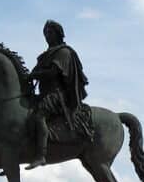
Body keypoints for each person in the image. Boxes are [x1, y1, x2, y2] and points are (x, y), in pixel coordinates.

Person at [25, 20, 93, 170]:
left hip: (56, 95)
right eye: (45, 33)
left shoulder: (63, 52)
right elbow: (34, 72)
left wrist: (35, 75)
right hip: (43, 94)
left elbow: (53, 72)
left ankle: (41, 155)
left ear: (58, 34)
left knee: (39, 116)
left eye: (50, 33)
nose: (47, 36)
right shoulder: (45, 55)